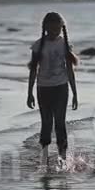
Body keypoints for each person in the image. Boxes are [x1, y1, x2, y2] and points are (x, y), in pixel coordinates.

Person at [26, 12, 78, 166]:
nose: (55, 31)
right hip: (43, 89)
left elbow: (70, 70)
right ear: (45, 27)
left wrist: (75, 93)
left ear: (62, 28)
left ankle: (62, 159)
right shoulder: (38, 45)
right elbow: (33, 70)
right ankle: (44, 159)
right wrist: (29, 93)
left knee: (60, 123)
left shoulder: (64, 45)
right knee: (46, 123)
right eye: (52, 28)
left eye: (58, 28)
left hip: (61, 88)